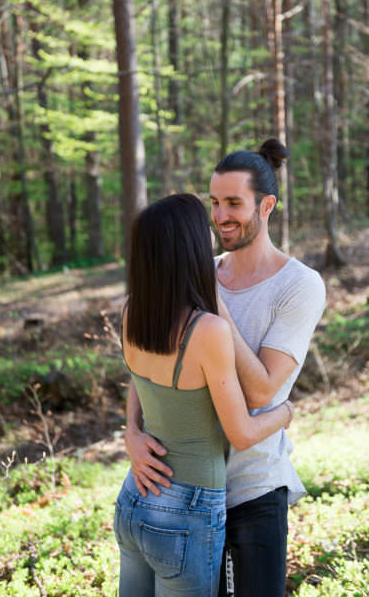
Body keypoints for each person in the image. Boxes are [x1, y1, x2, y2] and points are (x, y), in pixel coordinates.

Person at [123, 139, 326, 597]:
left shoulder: (299, 286)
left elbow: (262, 393)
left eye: (234, 203)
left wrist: (214, 306)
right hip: (182, 493)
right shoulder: (199, 267)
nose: (220, 216)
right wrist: (132, 431)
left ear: (266, 205)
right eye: (214, 203)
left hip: (252, 491)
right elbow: (149, 360)